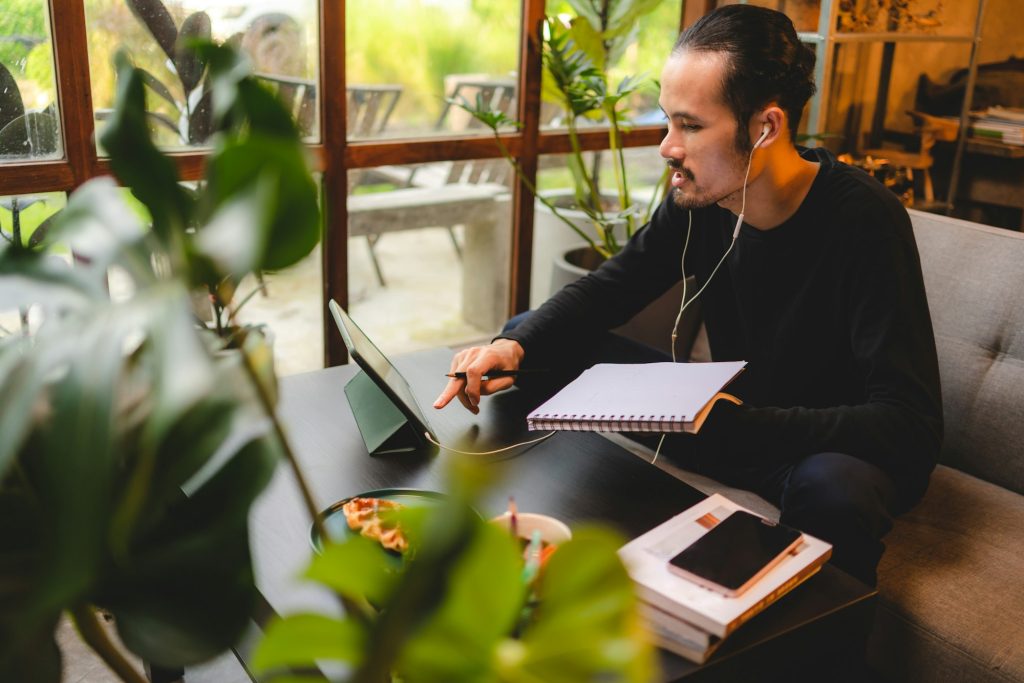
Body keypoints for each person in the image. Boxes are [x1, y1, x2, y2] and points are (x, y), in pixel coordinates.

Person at [433, 4, 942, 586]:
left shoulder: (865, 219)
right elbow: (609, 289)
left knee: (836, 490)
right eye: (668, 122)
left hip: (815, 450)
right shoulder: (702, 198)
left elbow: (909, 423)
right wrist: (512, 347)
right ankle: (515, 496)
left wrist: (732, 423)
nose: (667, 147)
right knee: (532, 339)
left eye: (691, 126)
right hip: (727, 420)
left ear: (765, 127)